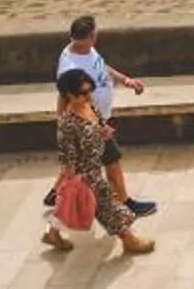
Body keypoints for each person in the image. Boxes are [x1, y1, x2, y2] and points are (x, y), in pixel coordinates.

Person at [42, 68, 155, 256]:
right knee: (106, 205)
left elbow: (97, 123)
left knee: (72, 205)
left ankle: (52, 233)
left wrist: (103, 131)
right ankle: (129, 239)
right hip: (85, 173)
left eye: (89, 91)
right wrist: (70, 181)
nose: (88, 96)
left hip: (95, 163)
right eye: (83, 93)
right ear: (70, 94)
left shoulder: (88, 105)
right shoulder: (67, 125)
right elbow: (67, 157)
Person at [57, 16, 155, 216]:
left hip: (97, 121)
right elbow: (71, 101)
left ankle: (56, 199)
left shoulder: (86, 50)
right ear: (92, 35)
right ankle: (124, 203)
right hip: (89, 125)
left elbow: (102, 67)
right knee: (111, 161)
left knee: (76, 169)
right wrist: (97, 126)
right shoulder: (70, 67)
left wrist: (126, 81)